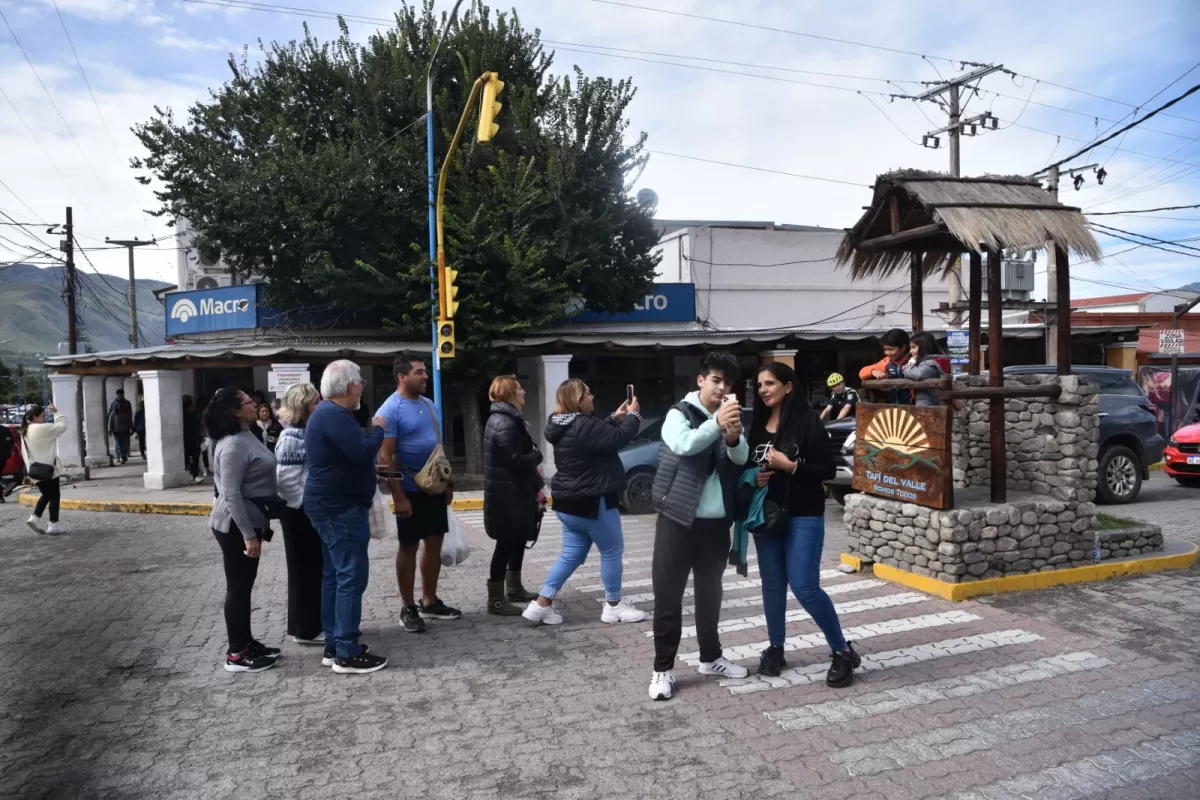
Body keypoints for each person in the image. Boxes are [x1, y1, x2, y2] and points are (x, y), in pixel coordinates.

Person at [749, 361, 861, 688]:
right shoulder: (755, 422)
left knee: (805, 586)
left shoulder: (808, 421)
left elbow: (827, 469)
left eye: (770, 383)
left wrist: (791, 466)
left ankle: (842, 650)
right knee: (772, 586)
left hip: (804, 513)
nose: (764, 390)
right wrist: (754, 475)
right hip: (766, 515)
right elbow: (746, 465)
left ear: (788, 386)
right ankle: (776, 647)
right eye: (759, 385)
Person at [648, 352, 750, 702]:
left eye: (728, 384)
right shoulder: (678, 414)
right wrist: (718, 423)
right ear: (701, 380)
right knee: (668, 597)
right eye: (716, 380)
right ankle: (662, 669)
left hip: (715, 524)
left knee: (710, 595)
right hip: (677, 520)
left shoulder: (726, 415)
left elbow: (740, 457)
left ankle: (711, 658)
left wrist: (734, 437)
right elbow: (685, 445)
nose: (722, 388)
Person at [522, 378, 646, 626]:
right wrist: (633, 417)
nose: (592, 397)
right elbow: (616, 439)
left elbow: (598, 437)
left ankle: (541, 604)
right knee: (611, 551)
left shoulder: (561, 423)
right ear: (577, 401)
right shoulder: (583, 425)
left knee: (571, 555)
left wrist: (614, 418)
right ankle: (613, 605)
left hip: (569, 502)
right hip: (593, 501)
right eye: (588, 394)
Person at [305, 360, 389, 674]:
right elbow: (363, 451)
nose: (363, 387)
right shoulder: (335, 415)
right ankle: (347, 651)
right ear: (350, 385)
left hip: (330, 506)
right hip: (339, 509)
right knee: (351, 577)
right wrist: (379, 428)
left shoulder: (328, 414)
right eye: (361, 382)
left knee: (336, 575)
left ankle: (335, 643)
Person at [377, 353, 460, 633]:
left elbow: (439, 448)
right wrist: (398, 496)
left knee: (434, 541)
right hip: (410, 491)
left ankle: (430, 600)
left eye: (425, 372)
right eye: (419, 372)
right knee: (409, 546)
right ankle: (408, 607)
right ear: (402, 377)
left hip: (434, 489)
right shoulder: (390, 410)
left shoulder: (429, 405)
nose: (425, 377)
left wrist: (447, 484)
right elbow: (385, 457)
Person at [206, 387, 281, 673]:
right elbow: (231, 494)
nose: (255, 405)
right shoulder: (233, 446)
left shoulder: (247, 435)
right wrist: (249, 535)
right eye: (249, 402)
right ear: (236, 411)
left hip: (250, 521)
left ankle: (246, 642)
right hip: (236, 526)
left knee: (245, 587)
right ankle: (236, 653)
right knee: (237, 589)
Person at [482, 375, 544, 616]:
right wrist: (538, 455)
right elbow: (516, 461)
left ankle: (514, 587)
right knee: (506, 544)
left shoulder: (508, 419)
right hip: (507, 496)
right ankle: (496, 600)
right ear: (509, 394)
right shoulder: (504, 423)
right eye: (519, 389)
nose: (524, 392)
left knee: (517, 540)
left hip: (513, 493)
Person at [275, 382, 325, 646]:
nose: (320, 405)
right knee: (304, 571)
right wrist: (308, 507)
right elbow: (286, 481)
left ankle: (311, 624)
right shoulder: (293, 437)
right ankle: (306, 629)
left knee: (312, 569)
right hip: (298, 514)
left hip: (304, 511)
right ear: (303, 406)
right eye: (315, 401)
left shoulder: (303, 432)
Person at [20, 403, 68, 534]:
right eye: (42, 416)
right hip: (48, 469)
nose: (44, 419)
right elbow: (63, 426)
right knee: (55, 495)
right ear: (35, 417)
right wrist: (56, 412)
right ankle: (53, 524)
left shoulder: (26, 430)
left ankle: (35, 518)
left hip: (35, 470)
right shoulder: (40, 429)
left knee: (47, 494)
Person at [858, 328, 912, 404]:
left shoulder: (914, 361)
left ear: (903, 347)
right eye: (885, 349)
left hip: (913, 406)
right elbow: (862, 373)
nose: (887, 353)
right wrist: (873, 371)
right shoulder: (887, 362)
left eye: (891, 349)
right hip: (893, 406)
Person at [903, 331, 947, 407]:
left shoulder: (929, 364)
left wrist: (907, 368)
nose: (911, 351)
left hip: (928, 404)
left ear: (924, 347)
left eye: (913, 347)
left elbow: (918, 374)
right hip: (932, 402)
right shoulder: (937, 361)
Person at [107, 388, 134, 464]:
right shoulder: (113, 407)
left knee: (125, 443)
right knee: (118, 444)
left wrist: (132, 426)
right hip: (116, 429)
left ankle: (122, 455)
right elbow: (109, 418)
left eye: (121, 395)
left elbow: (130, 415)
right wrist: (109, 429)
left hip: (125, 428)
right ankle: (121, 456)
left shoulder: (127, 403)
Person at [183, 395, 203, 483]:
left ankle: (188, 473)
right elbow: (197, 427)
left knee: (186, 457)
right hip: (193, 439)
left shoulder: (179, 416)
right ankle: (194, 474)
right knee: (194, 457)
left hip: (184, 439)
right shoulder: (193, 415)